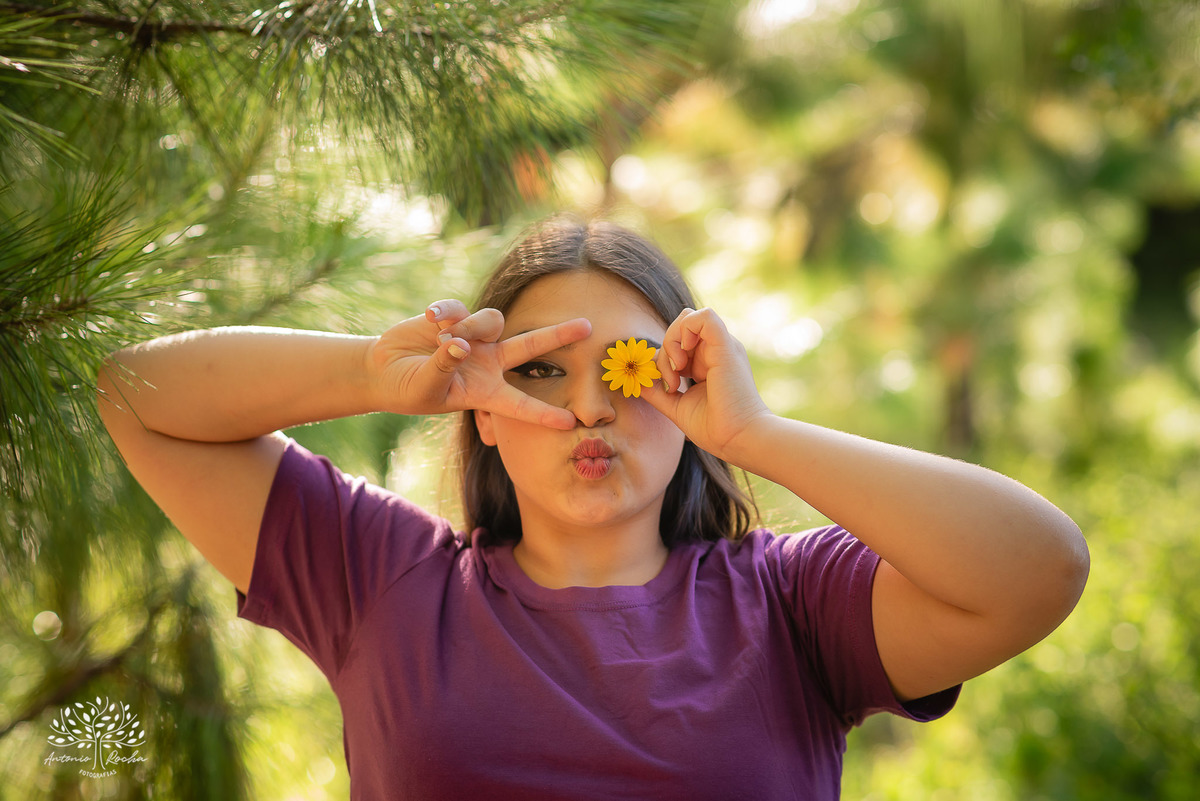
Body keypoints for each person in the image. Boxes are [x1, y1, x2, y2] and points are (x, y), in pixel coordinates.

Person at [96, 215, 1089, 800]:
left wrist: (754, 435)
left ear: (691, 384)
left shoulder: (790, 607)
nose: (587, 406)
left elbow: (1038, 570)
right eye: (538, 372)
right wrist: (371, 371)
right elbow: (135, 393)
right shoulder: (381, 582)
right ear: (481, 413)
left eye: (632, 368)